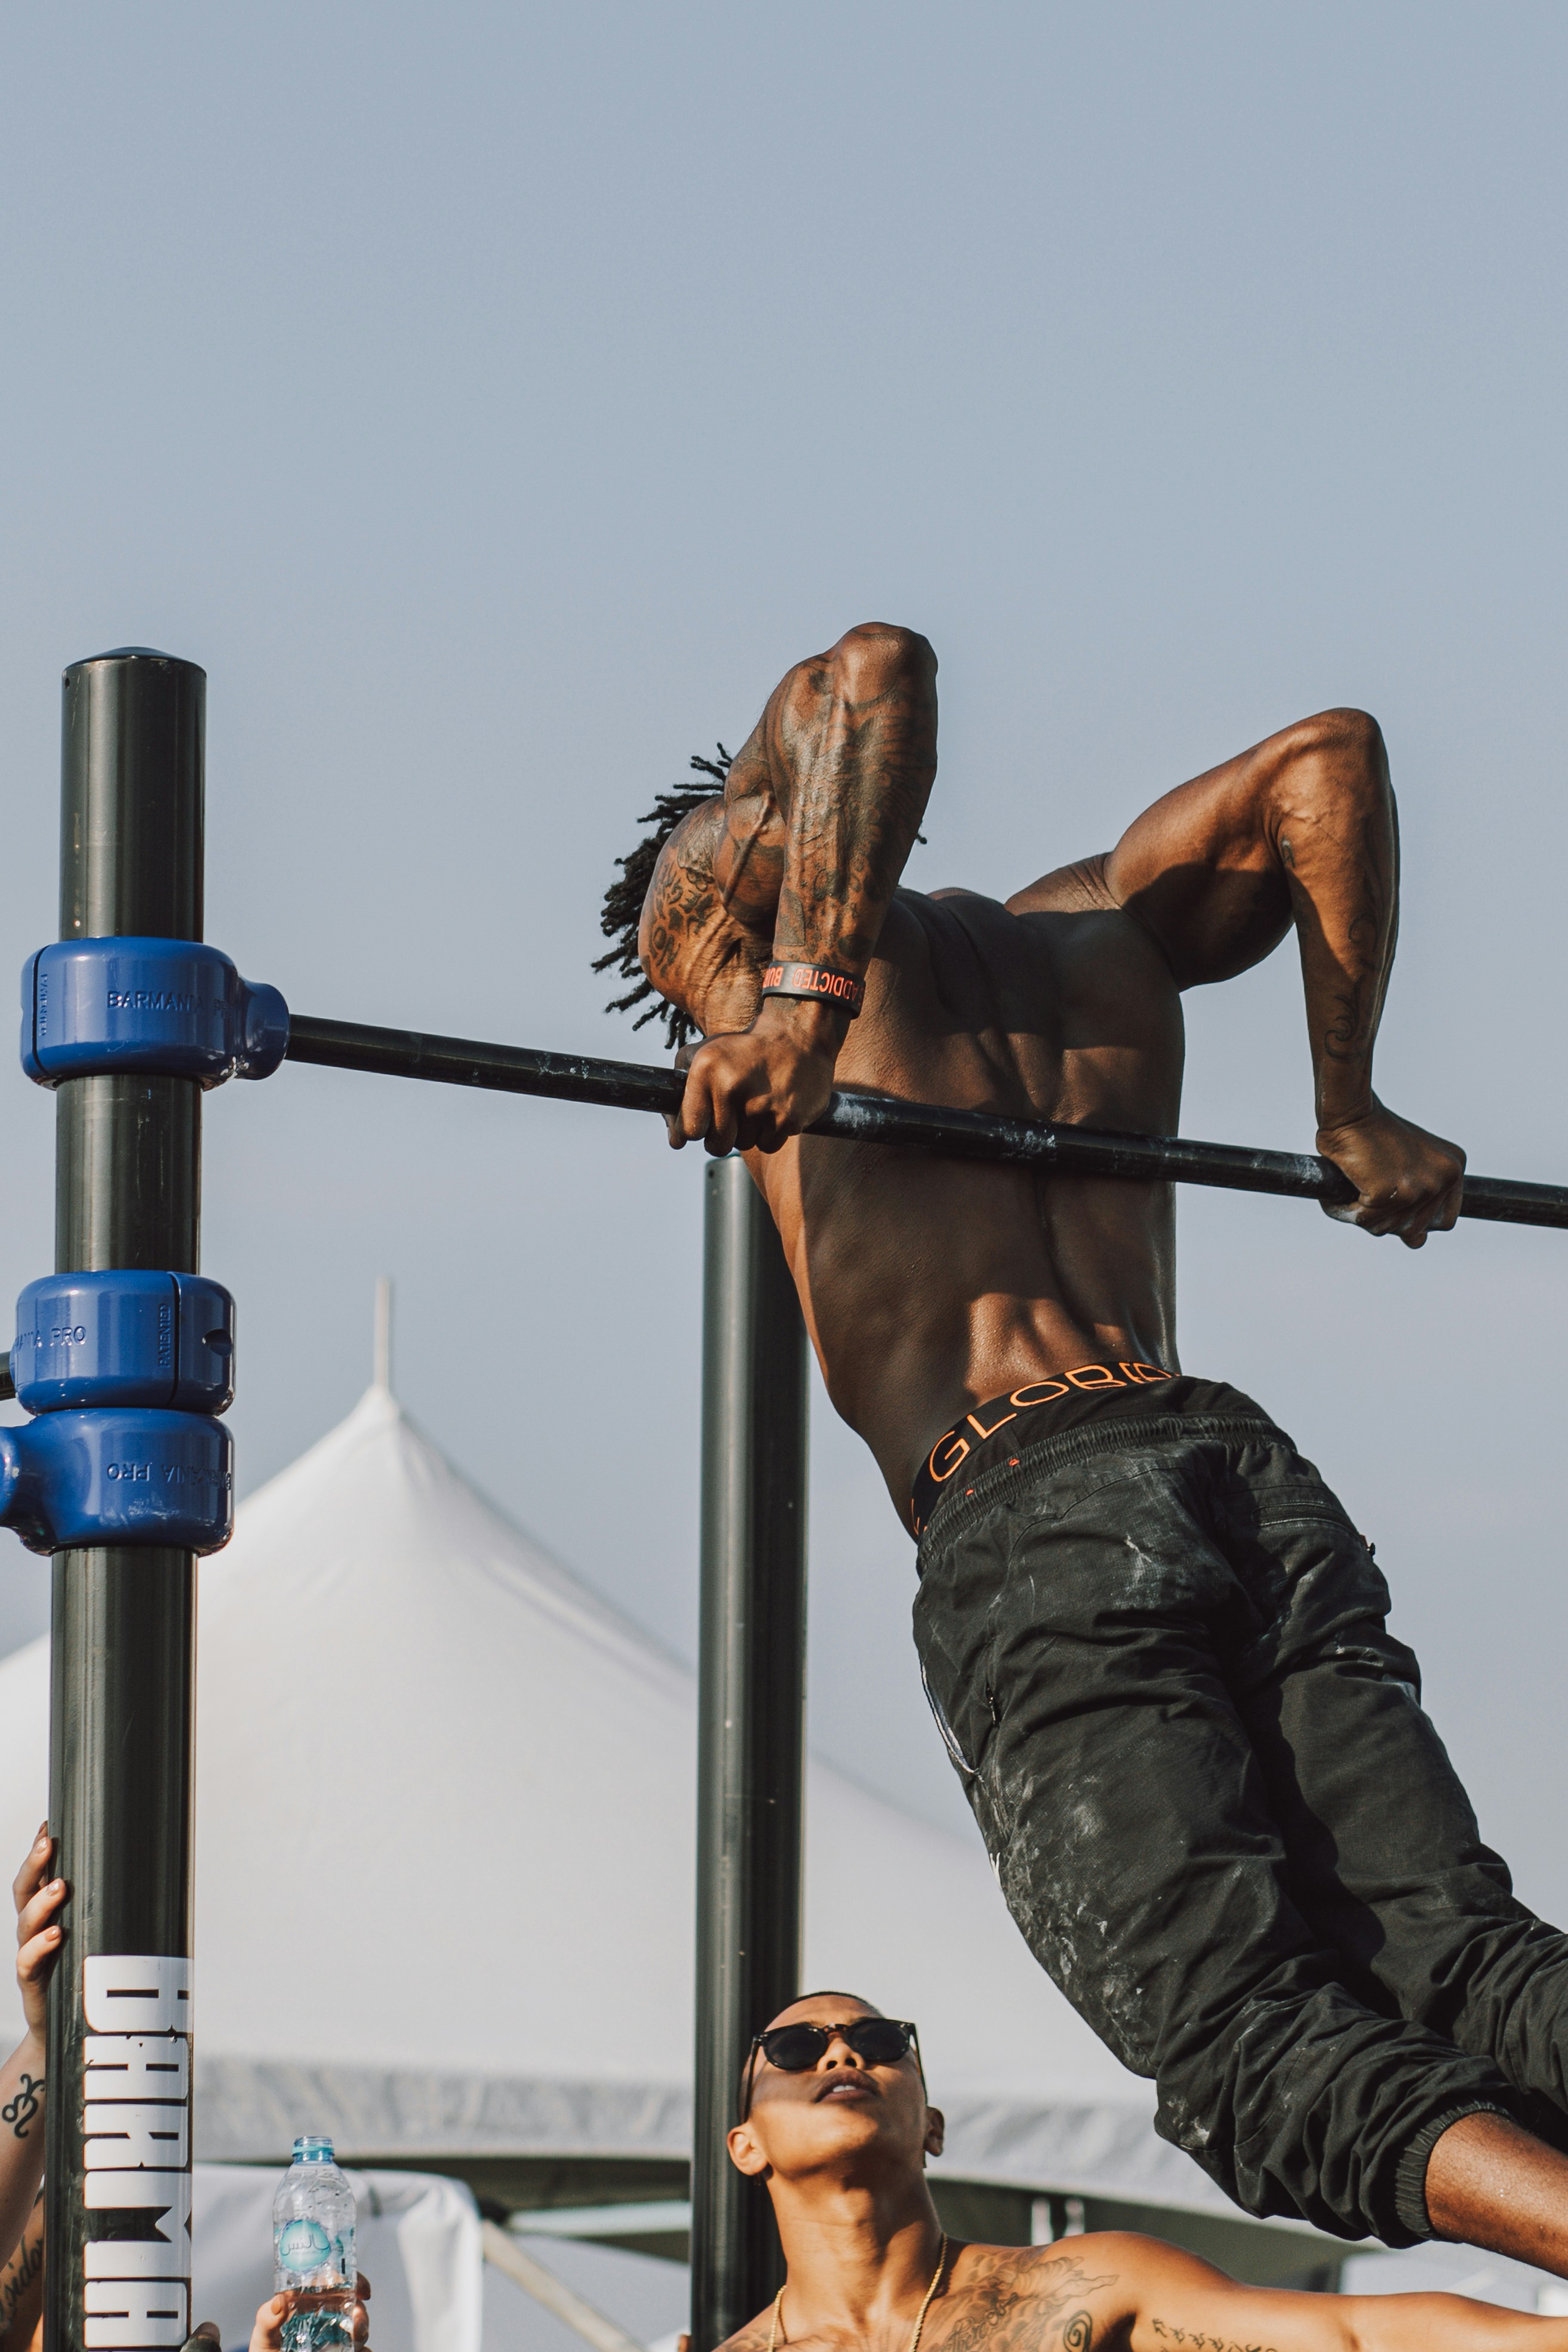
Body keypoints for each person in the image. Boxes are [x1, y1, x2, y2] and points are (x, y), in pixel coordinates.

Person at [596, 622, 1568, 2274]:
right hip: (1231, 1465)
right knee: (1459, 1956)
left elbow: (869, 671)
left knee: (1244, 2036)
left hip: (1029, 1499)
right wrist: (1348, 1099)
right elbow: (1325, 760)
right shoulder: (1095, 925)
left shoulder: (730, 933)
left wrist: (799, 1016)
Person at [720, 1991, 1568, 2352]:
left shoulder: (1080, 2292)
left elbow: (1354, 2337)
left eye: (879, 2042)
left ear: (932, 2127)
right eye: (793, 2049)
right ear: (745, 2146)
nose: (842, 2052)